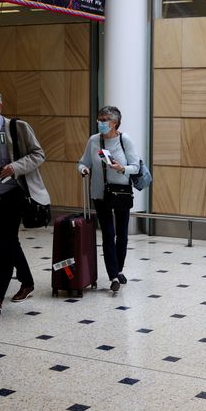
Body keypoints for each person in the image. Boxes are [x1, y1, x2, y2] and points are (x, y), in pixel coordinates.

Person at [0, 86, 50, 314]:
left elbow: (38, 154)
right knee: (9, 242)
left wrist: (15, 167)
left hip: (13, 195)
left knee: (3, 245)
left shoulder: (17, 128)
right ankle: (27, 281)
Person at [78, 106, 140, 293]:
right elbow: (82, 162)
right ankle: (113, 275)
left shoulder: (124, 140)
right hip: (100, 193)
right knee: (107, 233)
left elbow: (135, 166)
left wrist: (122, 168)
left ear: (115, 123)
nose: (101, 123)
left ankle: (118, 269)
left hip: (121, 192)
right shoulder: (94, 140)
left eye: (105, 120)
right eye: (100, 119)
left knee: (122, 235)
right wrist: (83, 170)